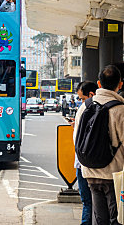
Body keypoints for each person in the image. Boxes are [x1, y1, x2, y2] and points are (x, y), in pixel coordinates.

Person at [74, 66, 124, 225]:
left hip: (90, 171)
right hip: (113, 173)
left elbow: (77, 138)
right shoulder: (120, 109)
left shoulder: (84, 107)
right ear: (120, 85)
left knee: (99, 217)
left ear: (98, 83)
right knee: (116, 218)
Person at [73, 81, 98, 225]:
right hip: (93, 162)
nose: (81, 102)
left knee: (87, 201)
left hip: (83, 162)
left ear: (91, 94)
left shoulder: (86, 107)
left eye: (82, 98)